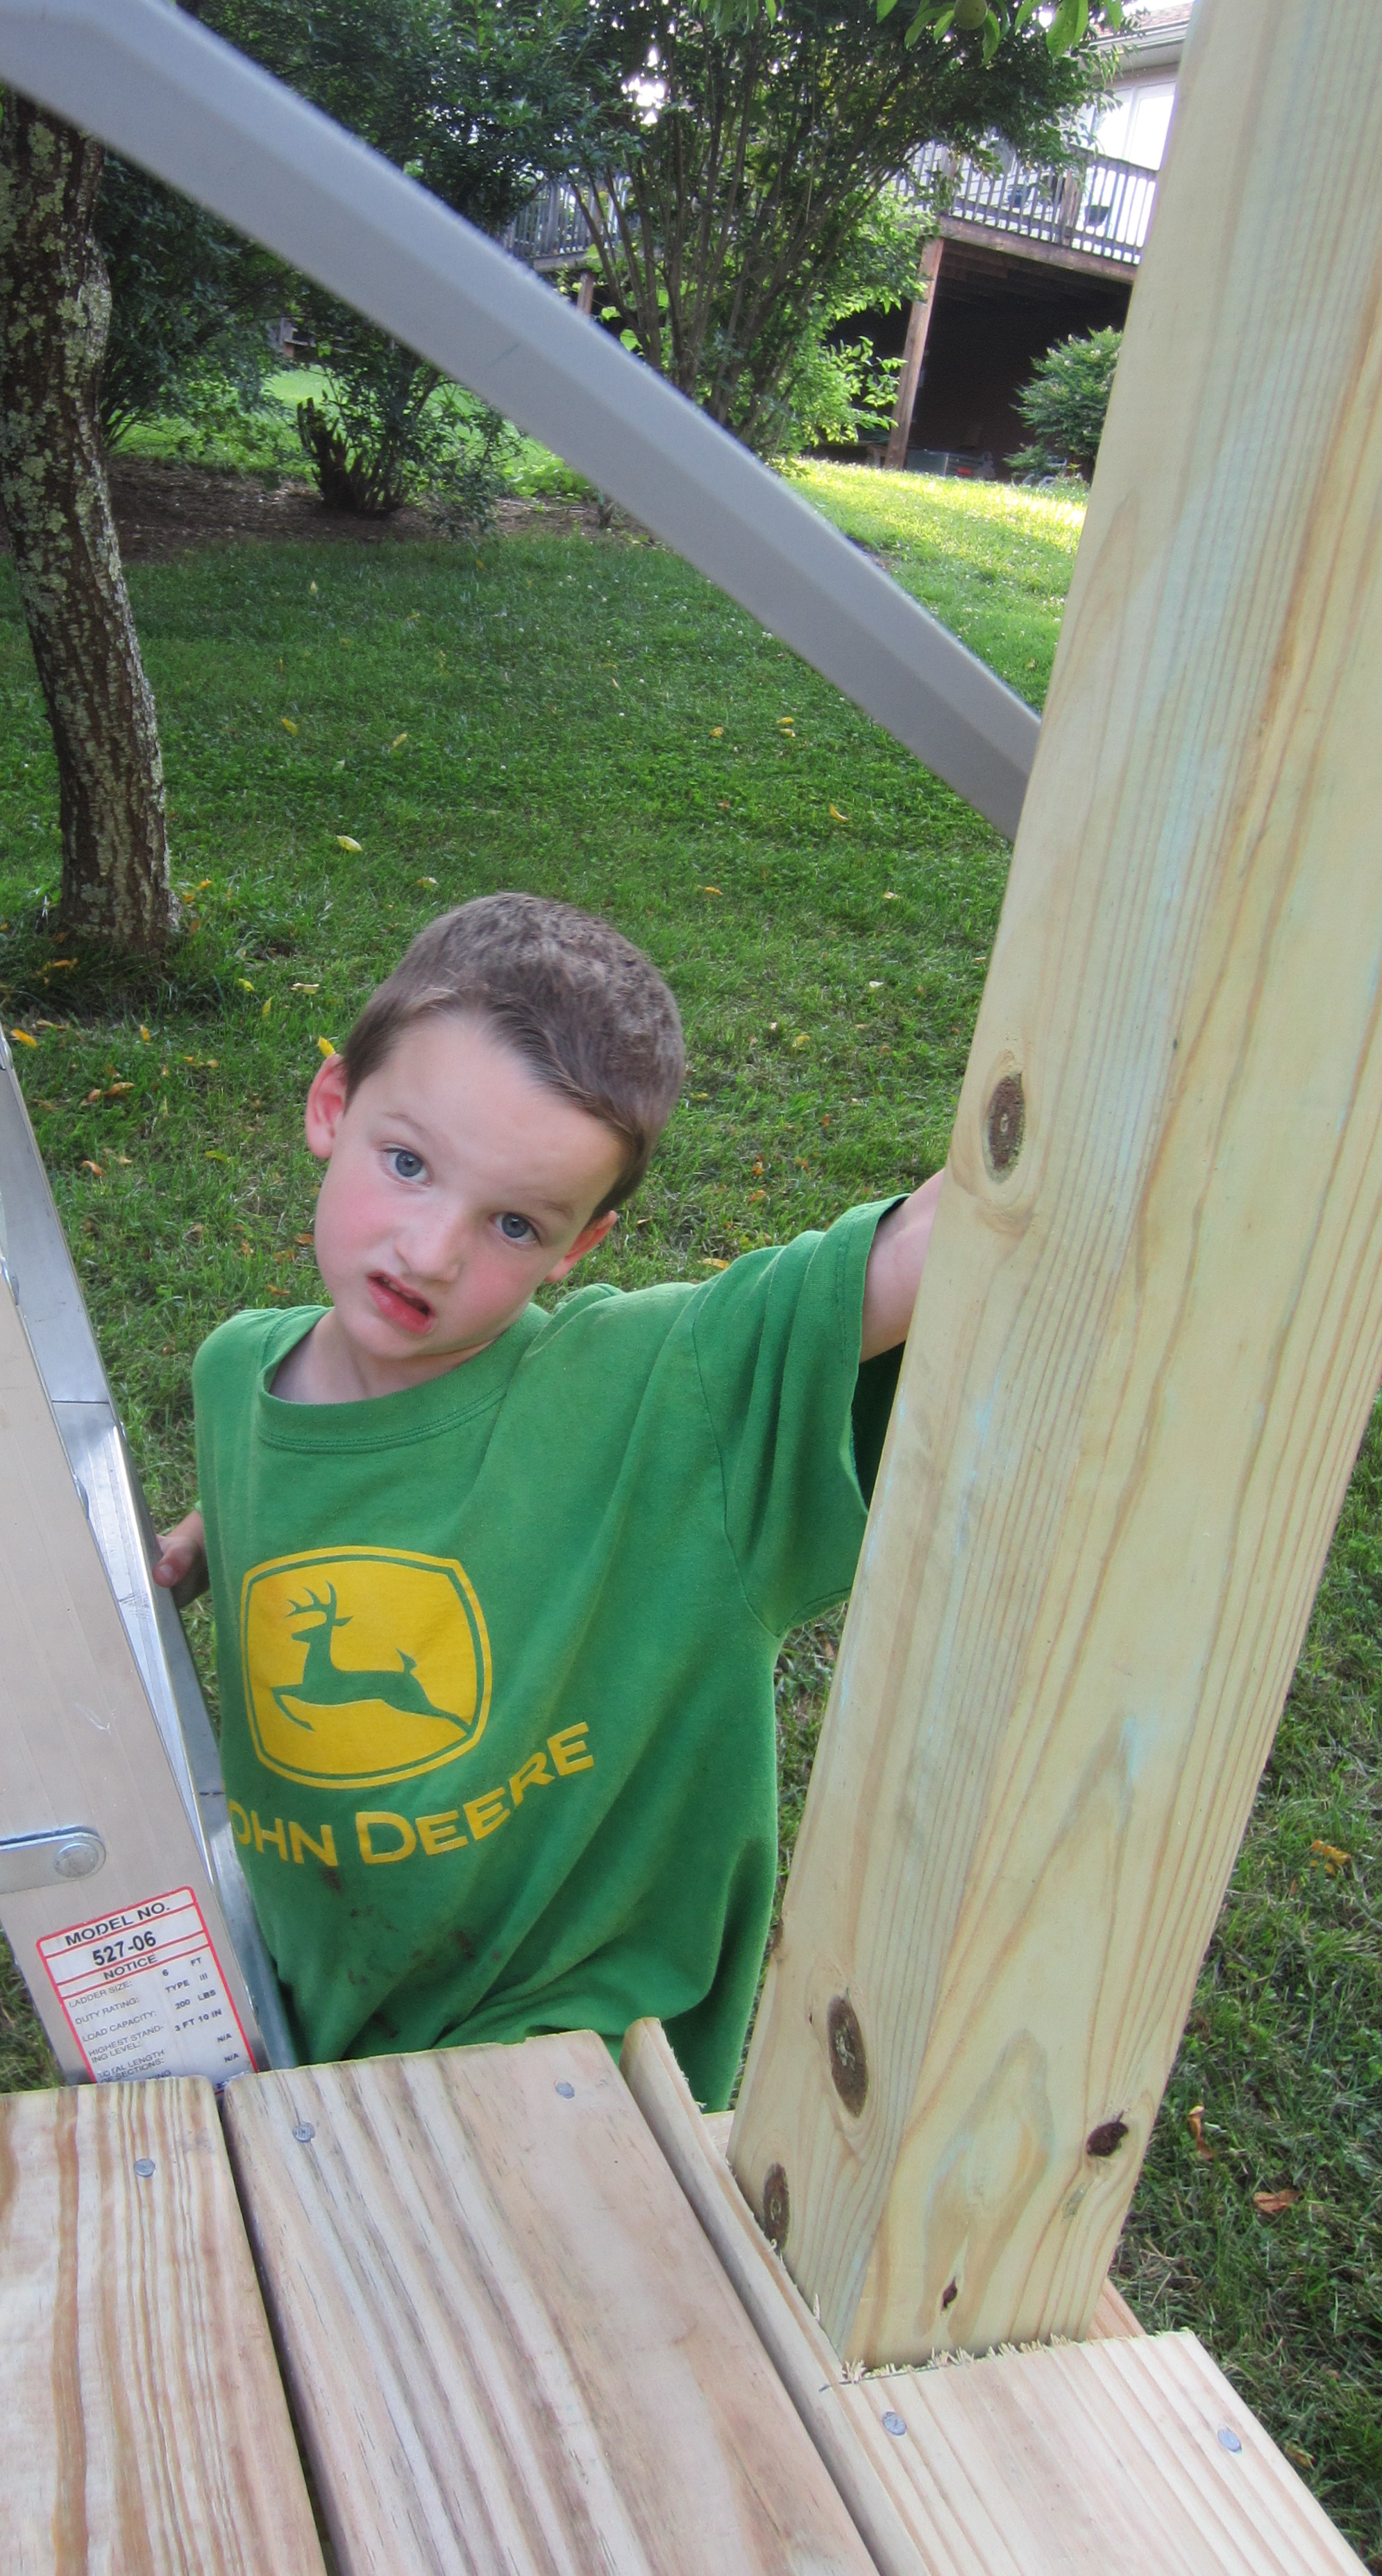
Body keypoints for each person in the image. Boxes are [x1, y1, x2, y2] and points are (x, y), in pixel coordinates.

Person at [153, 895, 936, 2109]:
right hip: (318, 2008)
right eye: (408, 1165)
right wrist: (222, 1527)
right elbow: (344, 1476)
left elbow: (935, 1242)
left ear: (579, 1247)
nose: (432, 1252)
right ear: (331, 1105)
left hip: (561, 2067)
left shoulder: (666, 1397)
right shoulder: (235, 1371)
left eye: (514, 1223)